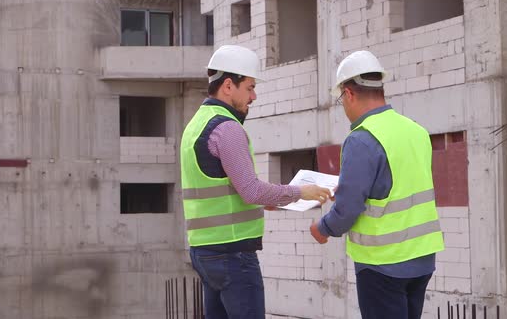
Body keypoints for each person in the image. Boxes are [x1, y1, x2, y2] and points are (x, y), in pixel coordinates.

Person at [180, 45, 331, 319]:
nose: (254, 96)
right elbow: (250, 190)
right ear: (228, 86)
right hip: (232, 254)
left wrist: (269, 202)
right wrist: (301, 192)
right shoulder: (227, 129)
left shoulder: (195, 125)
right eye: (249, 87)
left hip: (204, 251)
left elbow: (222, 187)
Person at [309, 50, 445, 319]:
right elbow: (396, 187)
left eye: (341, 99)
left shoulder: (361, 139)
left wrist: (322, 227)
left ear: (349, 93)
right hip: (421, 259)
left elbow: (349, 209)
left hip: (383, 264)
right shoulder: (415, 131)